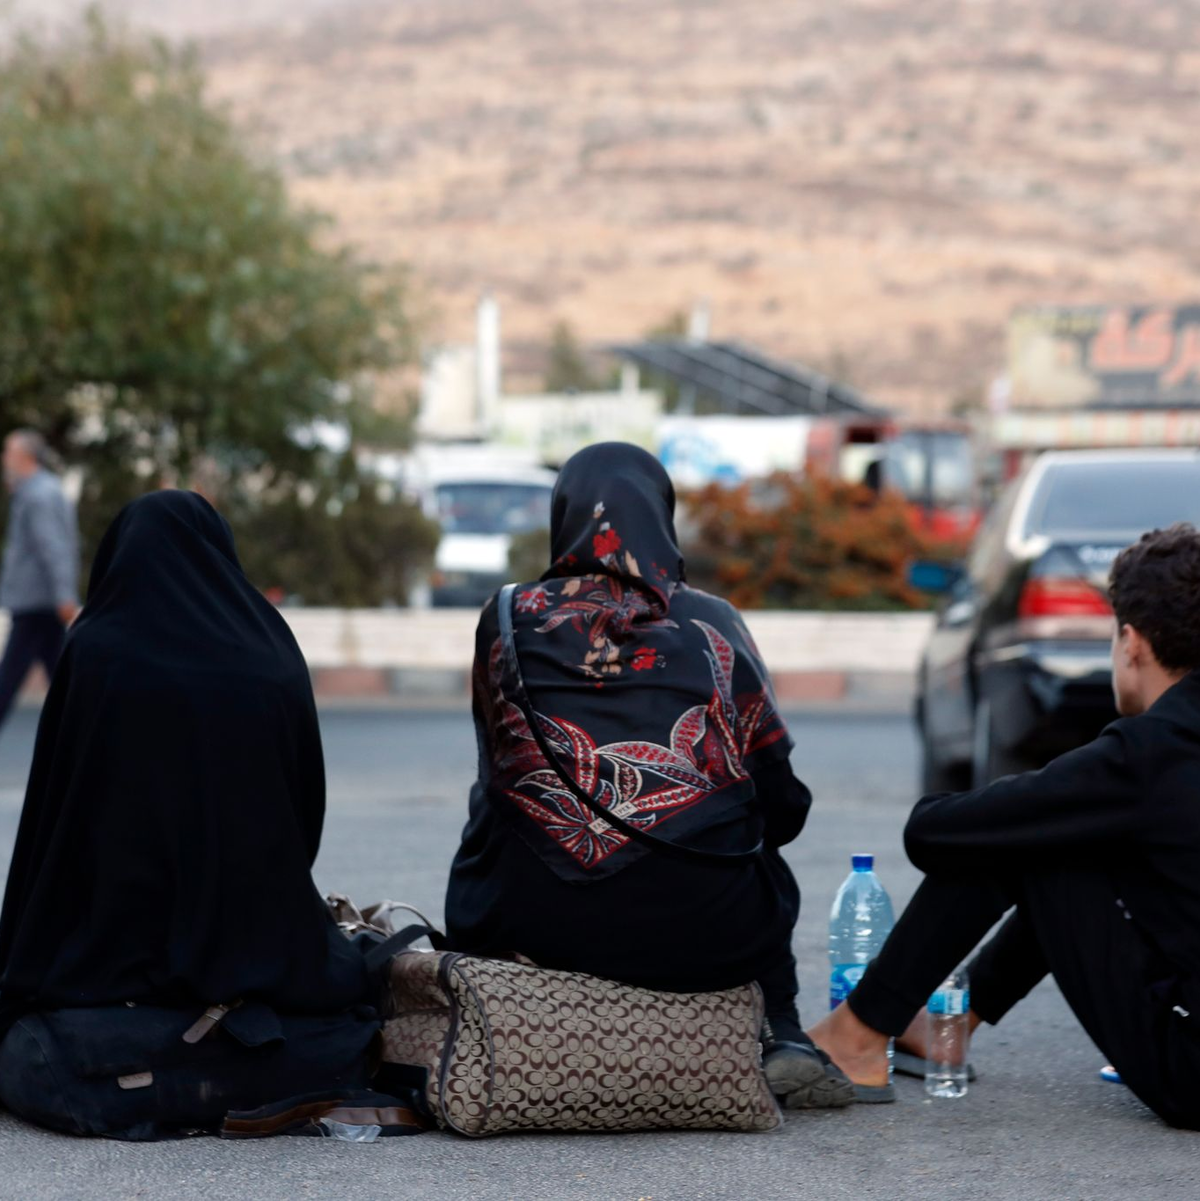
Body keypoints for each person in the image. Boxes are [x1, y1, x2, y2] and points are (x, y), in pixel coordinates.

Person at [444, 442, 853, 1110]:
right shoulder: (712, 621)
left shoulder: (506, 616)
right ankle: (782, 1033)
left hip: (531, 925)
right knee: (752, 827)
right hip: (705, 933)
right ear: (663, 519)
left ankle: (485, 997)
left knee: (498, 801)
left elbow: (500, 768)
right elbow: (785, 801)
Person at [0, 491, 380, 1139]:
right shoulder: (270, 648)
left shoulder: (96, 651)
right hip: (262, 943)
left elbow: (55, 822)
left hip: (107, 951)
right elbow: (302, 812)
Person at [810, 522, 1200, 1129]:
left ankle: (857, 1033)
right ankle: (948, 1028)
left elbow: (933, 833)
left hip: (1191, 1074)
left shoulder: (1151, 752)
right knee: (1058, 829)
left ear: (1131, 643)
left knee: (1028, 834)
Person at [0, 430, 80, 729]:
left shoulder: (38, 495)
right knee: (65, 680)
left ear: (25, 457)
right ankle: (88, 731)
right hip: (42, 602)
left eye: (8, 451)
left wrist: (64, 597)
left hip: (37, 602)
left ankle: (89, 730)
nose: (3, 458)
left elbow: (53, 548)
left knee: (8, 680)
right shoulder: (39, 490)